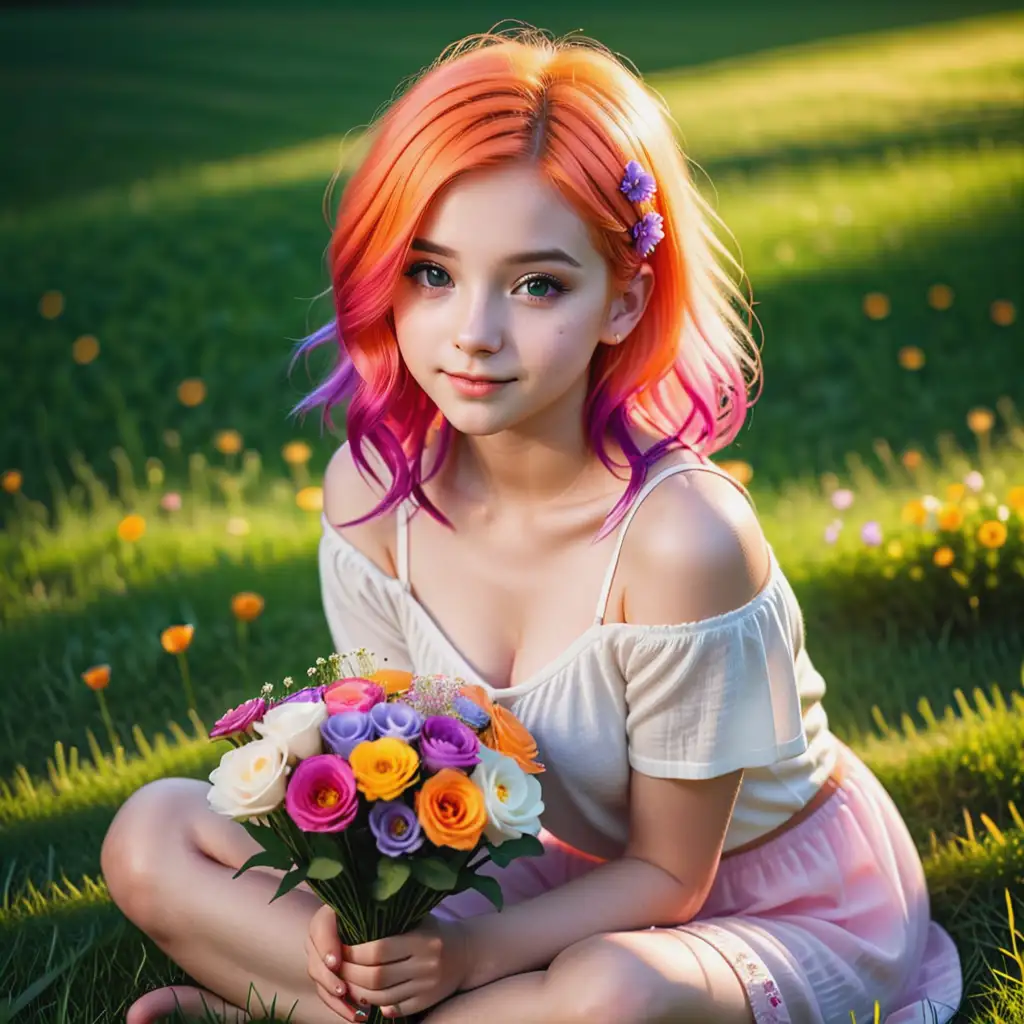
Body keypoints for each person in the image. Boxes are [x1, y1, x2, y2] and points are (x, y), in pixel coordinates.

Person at [101, 24, 964, 1024]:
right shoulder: (374, 497)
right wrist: (362, 918)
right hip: (545, 871)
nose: (473, 331)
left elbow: (670, 877)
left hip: (751, 897)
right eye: (431, 272)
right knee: (153, 831)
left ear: (620, 301)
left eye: (537, 284)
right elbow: (411, 777)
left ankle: (283, 1010)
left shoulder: (681, 541)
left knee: (611, 992)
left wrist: (464, 953)